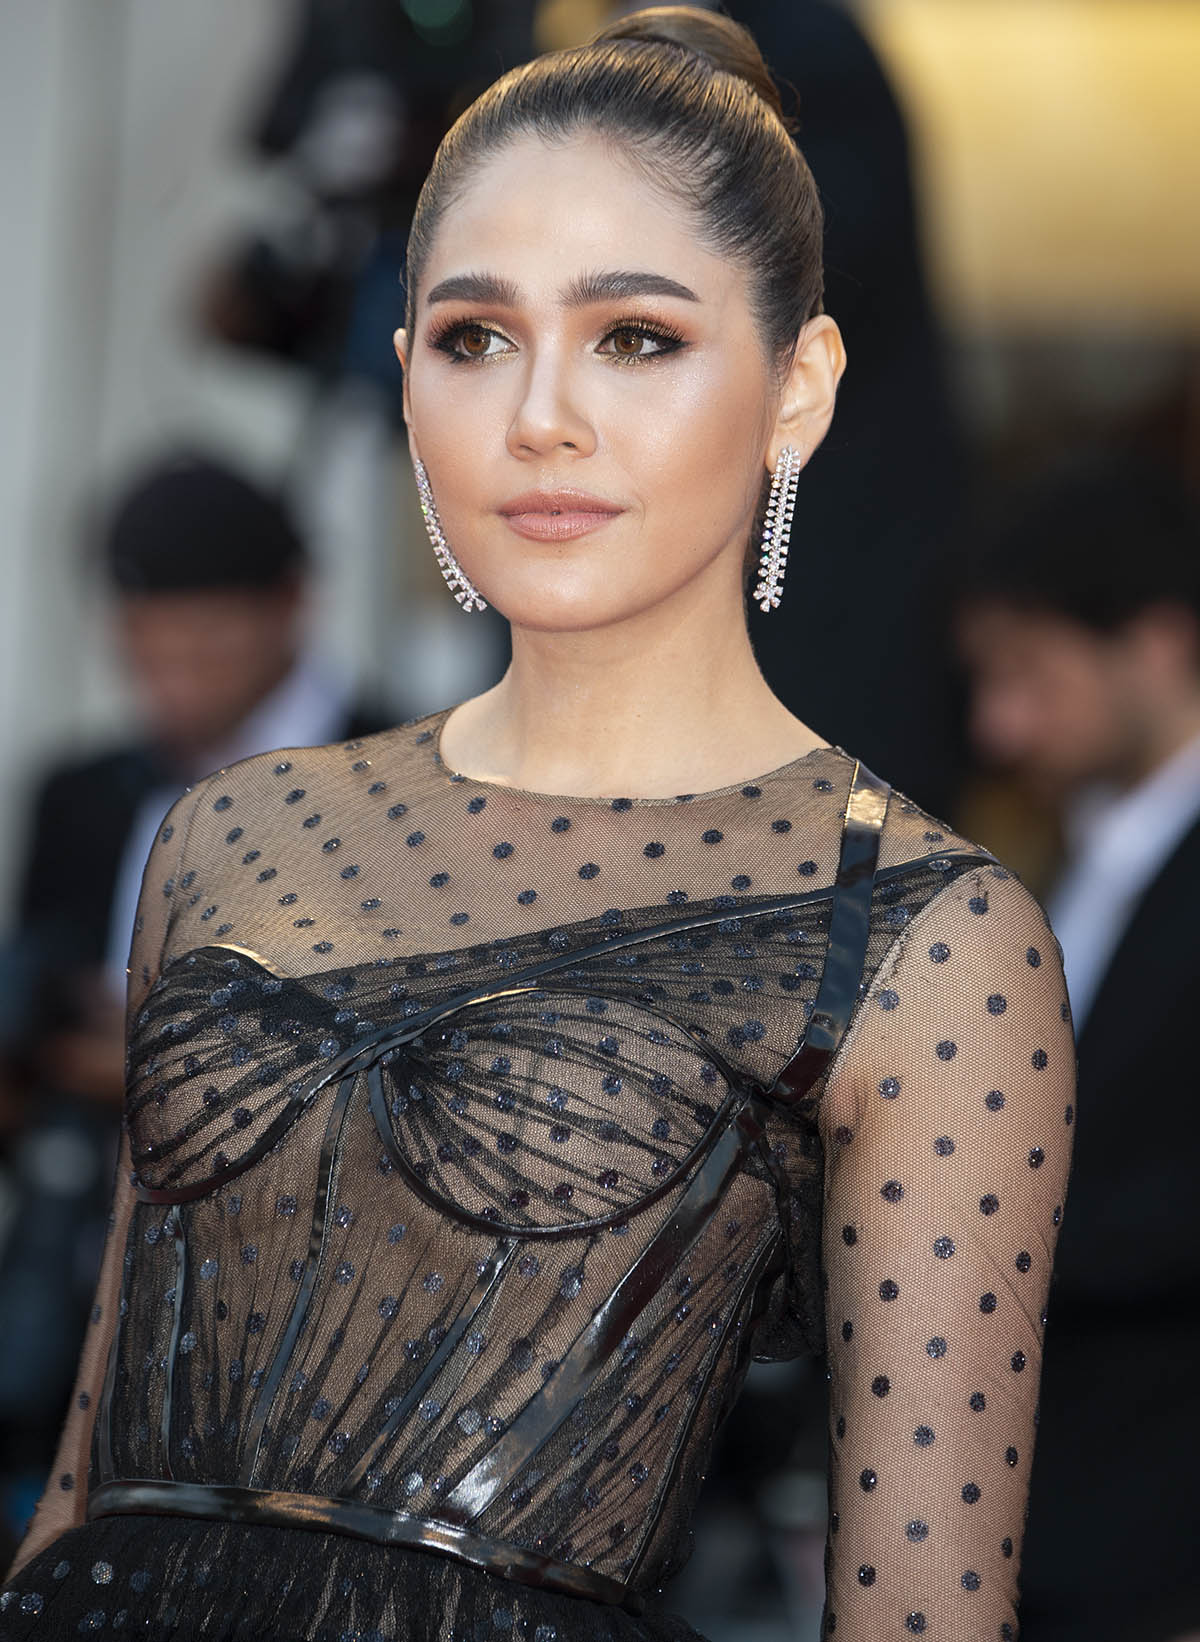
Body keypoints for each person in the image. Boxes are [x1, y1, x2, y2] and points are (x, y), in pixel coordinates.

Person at [2, 11, 1074, 1639]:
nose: (540, 415)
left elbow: (920, 1612)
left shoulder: (924, 937)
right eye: (474, 336)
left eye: (635, 336)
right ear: (404, 375)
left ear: (797, 390)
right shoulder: (230, 835)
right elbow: (83, 1488)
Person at [0, 450, 391, 1529]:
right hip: (87, 1307)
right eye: (142, 651)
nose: (171, 679)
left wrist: (141, 1057)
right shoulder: (83, 794)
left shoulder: (410, 779)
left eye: (203, 643)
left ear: (290, 603)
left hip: (321, 1342)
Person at [953, 454, 1200, 1642]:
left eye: (1032, 675)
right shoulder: (1068, 852)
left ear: (1155, 646)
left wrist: (973, 1239)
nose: (1000, 724)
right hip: (1052, 1532)